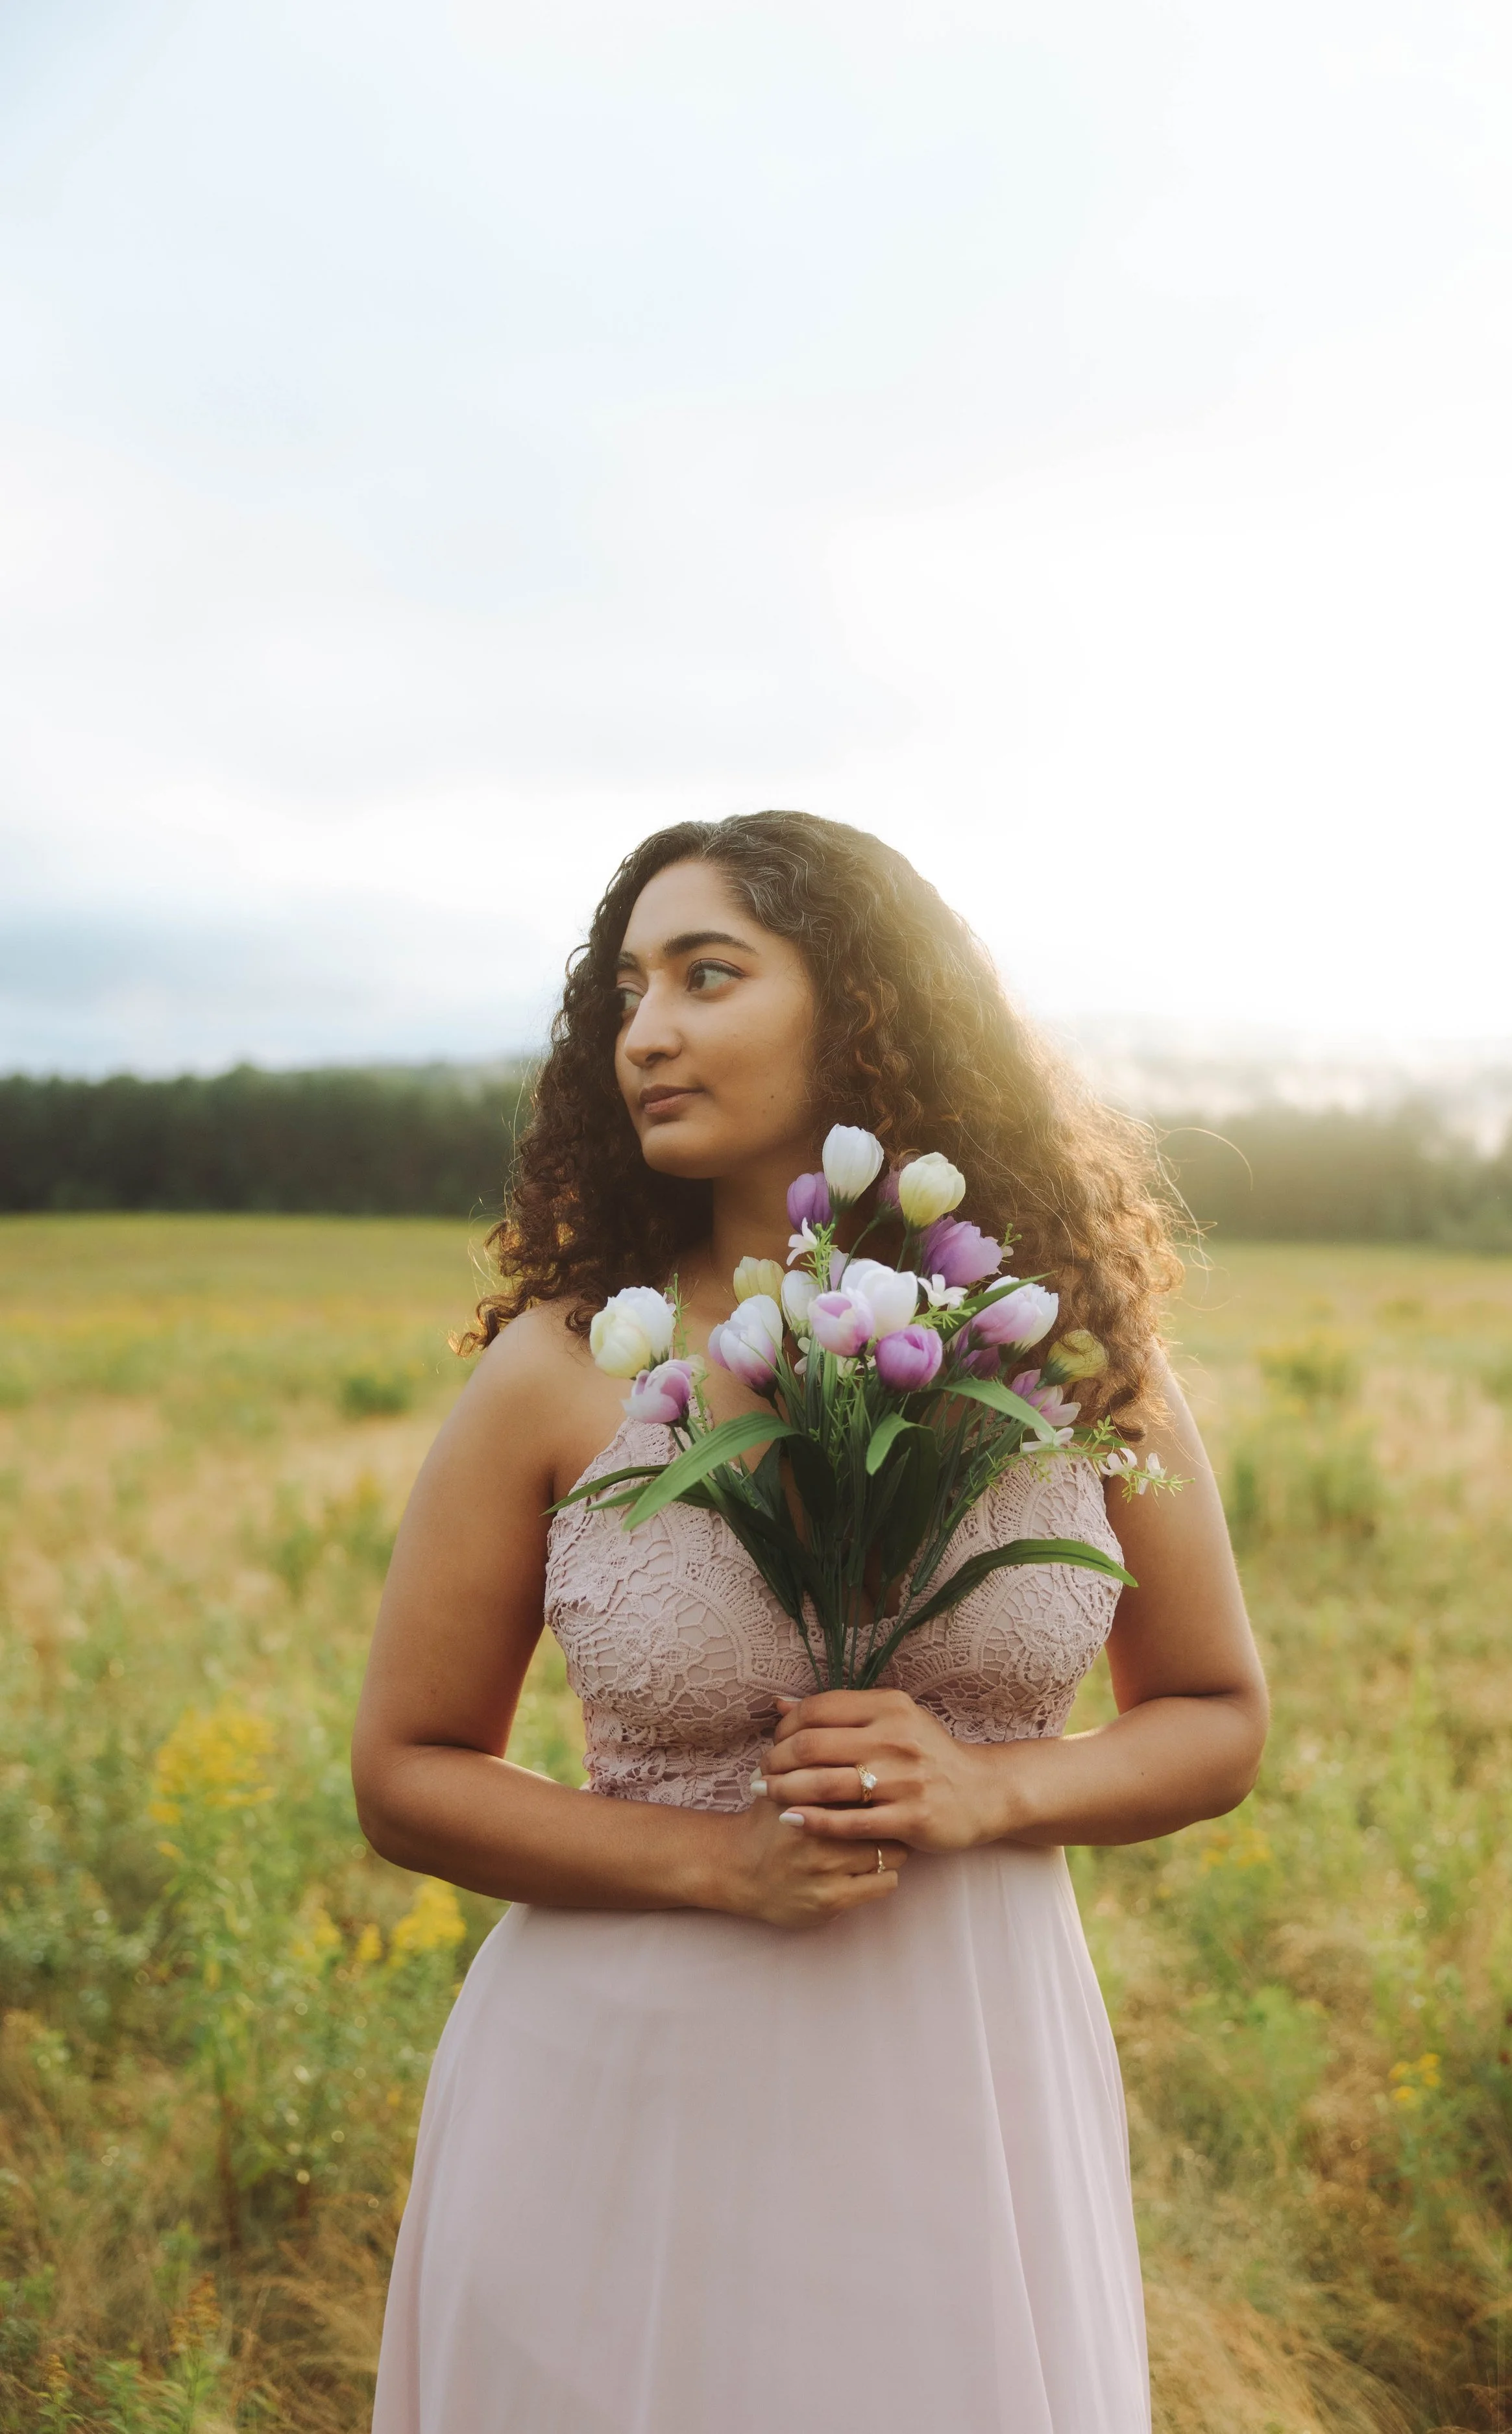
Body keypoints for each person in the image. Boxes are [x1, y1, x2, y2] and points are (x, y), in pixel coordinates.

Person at [354, 810, 1267, 2433]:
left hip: (965, 2094)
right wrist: (720, 1864)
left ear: (859, 1009)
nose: (648, 1032)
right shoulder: (566, 1367)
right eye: (626, 991)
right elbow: (406, 1771)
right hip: (616, 2100)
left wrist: (997, 1788)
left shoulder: (1065, 1357)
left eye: (709, 976)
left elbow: (1214, 1716)